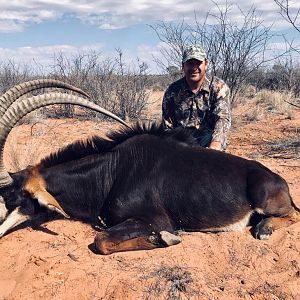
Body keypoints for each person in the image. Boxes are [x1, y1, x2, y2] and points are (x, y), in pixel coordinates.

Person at [162, 45, 231, 151]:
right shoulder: (172, 91)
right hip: (180, 146)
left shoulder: (219, 87)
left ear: (206, 64)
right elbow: (167, 126)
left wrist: (215, 145)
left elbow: (222, 119)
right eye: (189, 63)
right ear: (183, 66)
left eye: (198, 63)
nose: (194, 68)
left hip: (209, 145)